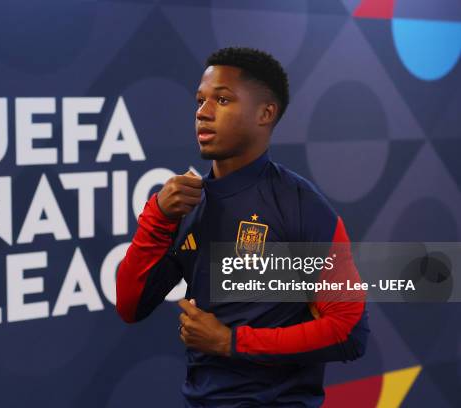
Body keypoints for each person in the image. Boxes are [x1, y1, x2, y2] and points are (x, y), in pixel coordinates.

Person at [115, 47, 370, 407]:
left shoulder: (302, 206)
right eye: (200, 100)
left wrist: (230, 342)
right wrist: (157, 217)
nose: (202, 114)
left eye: (222, 100)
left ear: (266, 113)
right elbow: (130, 306)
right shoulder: (182, 203)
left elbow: (349, 332)